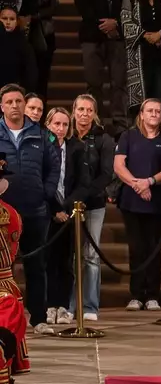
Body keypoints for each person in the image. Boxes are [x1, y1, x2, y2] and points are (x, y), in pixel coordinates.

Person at [0, 84, 57, 338]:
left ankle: (39, 317)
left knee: (37, 266)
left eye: (18, 101)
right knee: (3, 268)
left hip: (35, 211)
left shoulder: (41, 135)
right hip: (2, 216)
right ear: (1, 106)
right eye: (9, 101)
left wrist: (45, 193)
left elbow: (54, 167)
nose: (14, 105)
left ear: (25, 104)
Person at [114, 98, 161, 310]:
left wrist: (149, 181)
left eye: (157, 111)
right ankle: (136, 295)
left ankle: (152, 295)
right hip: (131, 201)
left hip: (157, 201)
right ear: (141, 114)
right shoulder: (128, 136)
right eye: (150, 111)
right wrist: (137, 185)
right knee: (136, 248)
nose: (154, 114)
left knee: (153, 248)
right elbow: (119, 165)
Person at [72, 0, 128, 130]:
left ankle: (119, 124)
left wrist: (117, 23)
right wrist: (102, 24)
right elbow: (80, 1)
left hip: (119, 35)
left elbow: (132, 0)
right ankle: (94, 122)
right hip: (91, 34)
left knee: (119, 82)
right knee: (93, 82)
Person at [67, 94, 113, 323]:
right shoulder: (66, 135)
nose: (84, 114)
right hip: (69, 205)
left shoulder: (104, 139)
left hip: (94, 204)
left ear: (94, 113)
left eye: (89, 110)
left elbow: (106, 174)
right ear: (73, 110)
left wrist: (84, 196)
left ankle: (90, 305)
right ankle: (70, 305)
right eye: (80, 109)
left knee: (91, 256)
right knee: (71, 256)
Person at [41, 106, 75, 326]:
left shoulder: (76, 148)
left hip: (70, 212)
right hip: (48, 211)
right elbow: (43, 181)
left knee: (66, 262)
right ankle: (49, 306)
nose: (61, 128)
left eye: (64, 124)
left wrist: (68, 208)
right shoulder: (44, 148)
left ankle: (63, 306)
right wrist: (55, 209)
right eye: (57, 124)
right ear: (49, 125)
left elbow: (83, 182)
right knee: (48, 262)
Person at [12, 0, 57, 98]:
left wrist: (32, 18)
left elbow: (53, 6)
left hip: (42, 35)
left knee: (41, 81)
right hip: (18, 33)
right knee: (21, 79)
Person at [0, 7, 37, 94]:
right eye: (4, 18)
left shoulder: (23, 44)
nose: (8, 22)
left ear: (17, 22)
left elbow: (30, 73)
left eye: (12, 19)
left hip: (15, 91)